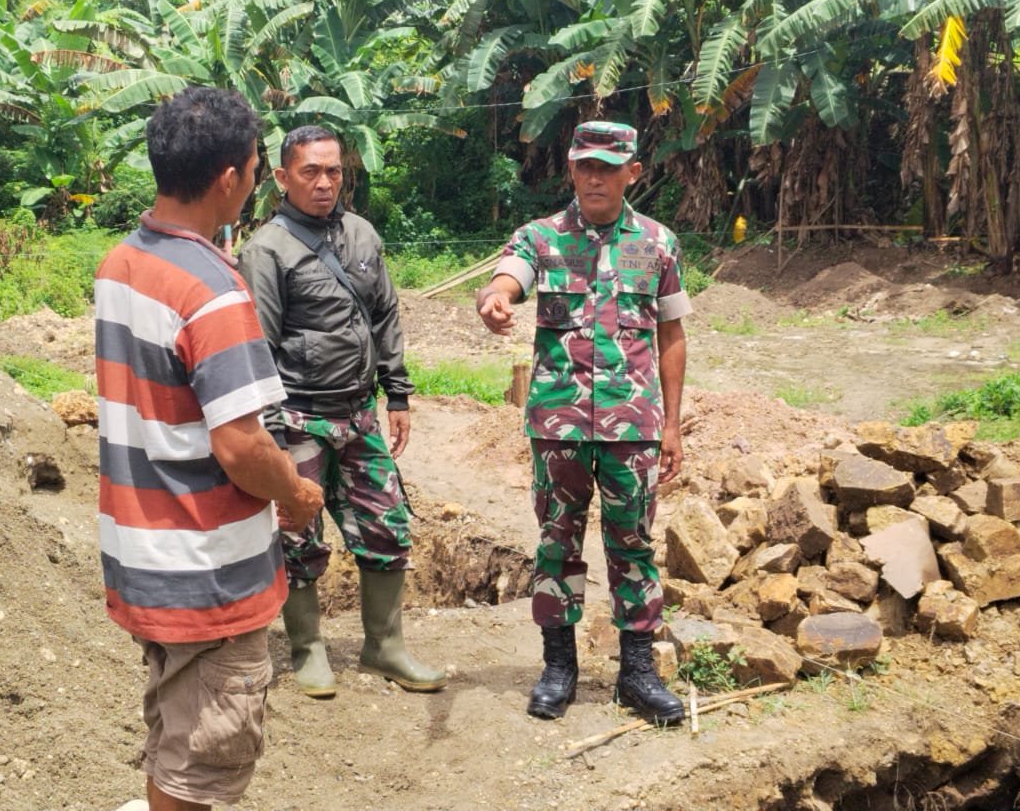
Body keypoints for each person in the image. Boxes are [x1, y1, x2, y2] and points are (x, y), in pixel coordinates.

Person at [95, 86, 324, 811]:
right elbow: (241, 445)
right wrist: (296, 492)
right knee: (201, 762)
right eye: (256, 166)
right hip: (206, 573)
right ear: (229, 178)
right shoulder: (213, 292)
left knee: (176, 727)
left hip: (142, 553)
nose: (256, 179)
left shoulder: (121, 263)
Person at [475, 120, 690, 726]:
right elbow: (508, 277)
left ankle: (638, 673)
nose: (595, 177)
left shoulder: (659, 243)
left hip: (634, 428)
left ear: (632, 173)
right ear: (571, 169)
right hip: (559, 427)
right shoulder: (540, 238)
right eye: (585, 166)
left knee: (634, 545)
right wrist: (495, 300)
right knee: (556, 543)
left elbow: (672, 334)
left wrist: (672, 425)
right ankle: (558, 667)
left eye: (608, 167)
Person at [238, 125, 446, 698]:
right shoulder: (266, 250)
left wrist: (397, 393)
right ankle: (308, 651)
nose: (324, 182)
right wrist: (273, 438)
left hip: (359, 417)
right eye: (310, 171)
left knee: (387, 526)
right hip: (298, 418)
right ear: (283, 177)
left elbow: (385, 316)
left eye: (333, 171)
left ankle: (385, 648)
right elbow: (258, 350)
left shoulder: (361, 235)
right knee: (297, 537)